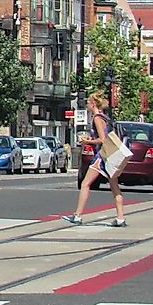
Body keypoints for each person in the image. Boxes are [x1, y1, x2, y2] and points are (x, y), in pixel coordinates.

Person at [63, 92, 127, 227]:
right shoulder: (105, 117)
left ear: (93, 104)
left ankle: (77, 215)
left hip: (102, 156)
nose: (87, 105)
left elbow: (103, 140)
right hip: (110, 155)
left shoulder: (97, 118)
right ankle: (121, 217)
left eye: (88, 103)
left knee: (85, 184)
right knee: (114, 186)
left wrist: (87, 141)